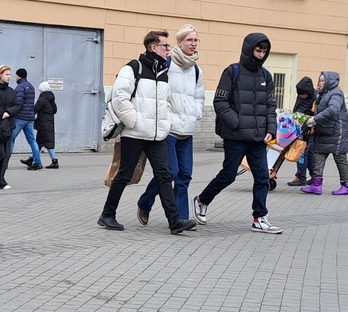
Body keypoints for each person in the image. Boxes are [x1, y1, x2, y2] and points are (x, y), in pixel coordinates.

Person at [98, 30, 196, 235]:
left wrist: (165, 124)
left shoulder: (163, 73)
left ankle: (174, 220)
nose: (169, 49)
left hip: (157, 135)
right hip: (134, 133)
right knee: (124, 174)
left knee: (165, 175)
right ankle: (107, 215)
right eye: (165, 46)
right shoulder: (133, 68)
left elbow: (165, 103)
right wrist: (134, 121)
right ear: (153, 47)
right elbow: (119, 98)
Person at [191, 33, 283, 234]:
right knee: (228, 175)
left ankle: (259, 217)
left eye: (264, 51)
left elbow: (270, 105)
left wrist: (271, 129)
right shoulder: (232, 72)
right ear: (249, 49)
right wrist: (237, 123)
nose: (261, 55)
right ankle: (201, 200)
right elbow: (220, 102)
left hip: (258, 138)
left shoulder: (266, 76)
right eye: (258, 50)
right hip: (235, 137)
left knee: (262, 177)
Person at [137, 23, 203, 225]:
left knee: (185, 176)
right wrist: (165, 116)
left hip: (187, 129)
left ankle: (182, 218)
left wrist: (196, 112)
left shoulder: (197, 69)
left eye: (195, 40)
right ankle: (145, 202)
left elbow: (199, 96)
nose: (193, 44)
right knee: (170, 172)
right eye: (189, 40)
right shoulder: (168, 64)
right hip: (169, 129)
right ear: (179, 42)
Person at [301, 71, 348, 196]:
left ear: (329, 82)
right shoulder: (323, 94)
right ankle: (316, 185)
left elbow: (333, 110)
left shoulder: (336, 93)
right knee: (318, 155)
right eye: (319, 80)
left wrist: (315, 119)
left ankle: (346, 186)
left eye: (322, 80)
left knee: (340, 158)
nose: (319, 83)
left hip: (337, 132)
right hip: (323, 131)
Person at [11, 68, 43, 170]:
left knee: (10, 139)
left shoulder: (20, 87)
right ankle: (37, 162)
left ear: (19, 76)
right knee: (32, 141)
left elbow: (18, 104)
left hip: (20, 118)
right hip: (29, 118)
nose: (15, 78)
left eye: (15, 76)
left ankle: (4, 162)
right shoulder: (31, 87)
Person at [287, 76, 318, 186]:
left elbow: (317, 114)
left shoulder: (315, 97)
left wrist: (312, 126)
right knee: (304, 152)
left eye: (303, 95)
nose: (301, 97)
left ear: (308, 92)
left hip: (310, 129)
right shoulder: (301, 95)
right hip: (299, 127)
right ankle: (312, 176)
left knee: (305, 153)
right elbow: (297, 108)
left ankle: (303, 176)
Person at [34, 80, 59, 168]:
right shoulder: (51, 98)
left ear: (42, 90)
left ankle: (55, 161)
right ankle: (32, 159)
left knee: (48, 144)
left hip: (43, 125)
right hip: (49, 124)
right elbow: (55, 110)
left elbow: (35, 110)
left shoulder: (42, 99)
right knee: (38, 143)